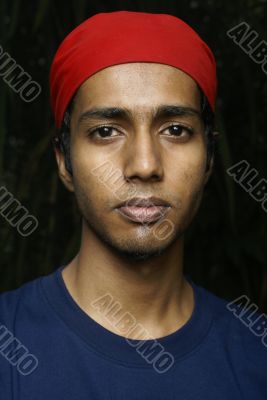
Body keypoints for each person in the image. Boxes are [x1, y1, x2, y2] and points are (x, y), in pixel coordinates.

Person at [0, 10, 266, 399]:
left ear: (209, 156)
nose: (144, 165)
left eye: (176, 130)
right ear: (64, 161)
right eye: (106, 131)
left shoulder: (255, 357)